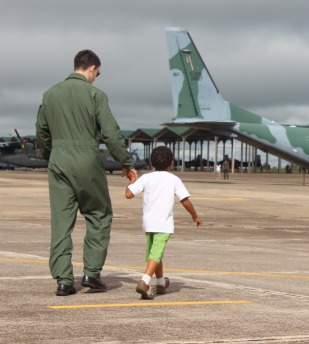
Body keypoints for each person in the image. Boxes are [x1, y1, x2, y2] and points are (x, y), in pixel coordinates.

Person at [36, 49, 138, 296]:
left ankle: (64, 280)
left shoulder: (50, 94)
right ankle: (92, 273)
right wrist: (126, 162)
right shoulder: (95, 95)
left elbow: (41, 132)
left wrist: (52, 156)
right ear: (92, 68)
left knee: (61, 222)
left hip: (58, 160)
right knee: (99, 214)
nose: (96, 77)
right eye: (98, 73)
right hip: (87, 159)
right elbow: (111, 135)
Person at [125, 146, 201, 300]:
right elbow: (185, 201)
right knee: (156, 253)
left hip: (148, 223)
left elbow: (128, 194)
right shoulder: (174, 179)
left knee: (155, 253)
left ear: (151, 162)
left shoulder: (146, 178)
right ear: (171, 163)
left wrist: (133, 180)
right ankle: (145, 281)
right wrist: (195, 216)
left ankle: (160, 283)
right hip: (163, 224)